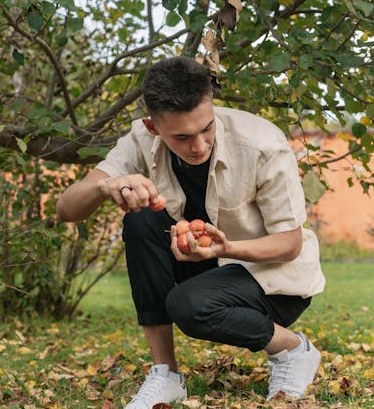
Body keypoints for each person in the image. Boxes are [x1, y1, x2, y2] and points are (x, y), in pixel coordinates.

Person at [56, 56, 326, 408]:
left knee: (188, 305)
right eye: (182, 137)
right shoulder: (140, 139)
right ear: (154, 127)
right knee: (139, 220)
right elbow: (66, 209)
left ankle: (292, 350)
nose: (198, 146)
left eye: (207, 129)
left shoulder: (262, 144)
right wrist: (108, 185)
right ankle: (166, 375)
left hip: (274, 281)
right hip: (207, 269)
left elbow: (289, 245)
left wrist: (226, 248)